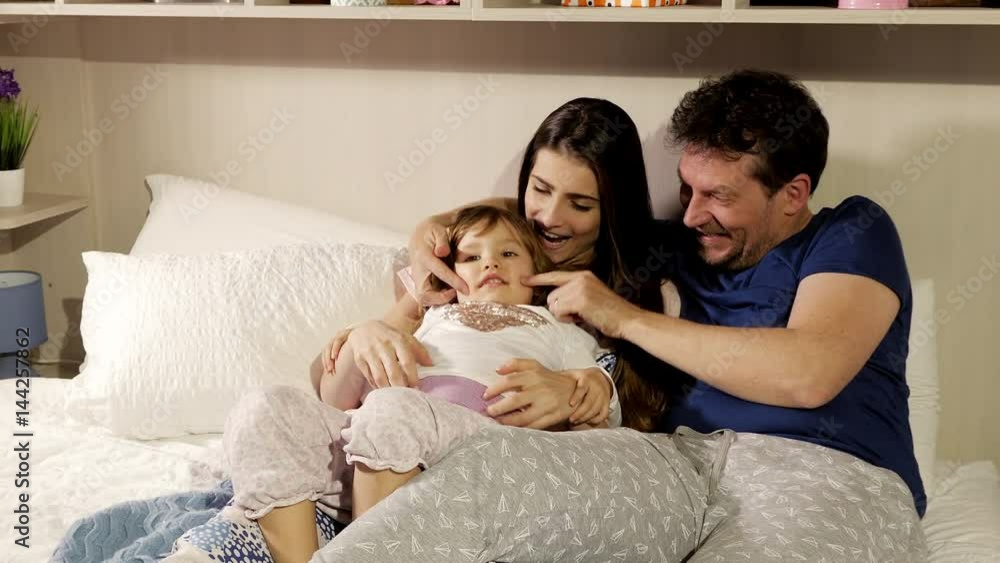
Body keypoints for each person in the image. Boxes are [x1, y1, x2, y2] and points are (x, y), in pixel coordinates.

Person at [315, 69, 929, 562]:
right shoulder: (674, 243)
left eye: (718, 196)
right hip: (675, 461)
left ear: (793, 194)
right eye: (687, 189)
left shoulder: (853, 230)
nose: (691, 215)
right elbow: (547, 220)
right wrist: (439, 229)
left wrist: (624, 319)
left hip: (824, 471)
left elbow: (809, 372)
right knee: (483, 473)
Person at [223, 97, 671, 563]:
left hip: (475, 449)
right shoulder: (446, 294)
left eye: (579, 204)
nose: (549, 218)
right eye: (539, 190)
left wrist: (585, 391)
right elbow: (333, 393)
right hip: (383, 430)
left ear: (613, 211)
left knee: (392, 410)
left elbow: (609, 413)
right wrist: (367, 336)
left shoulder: (574, 315)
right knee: (265, 408)